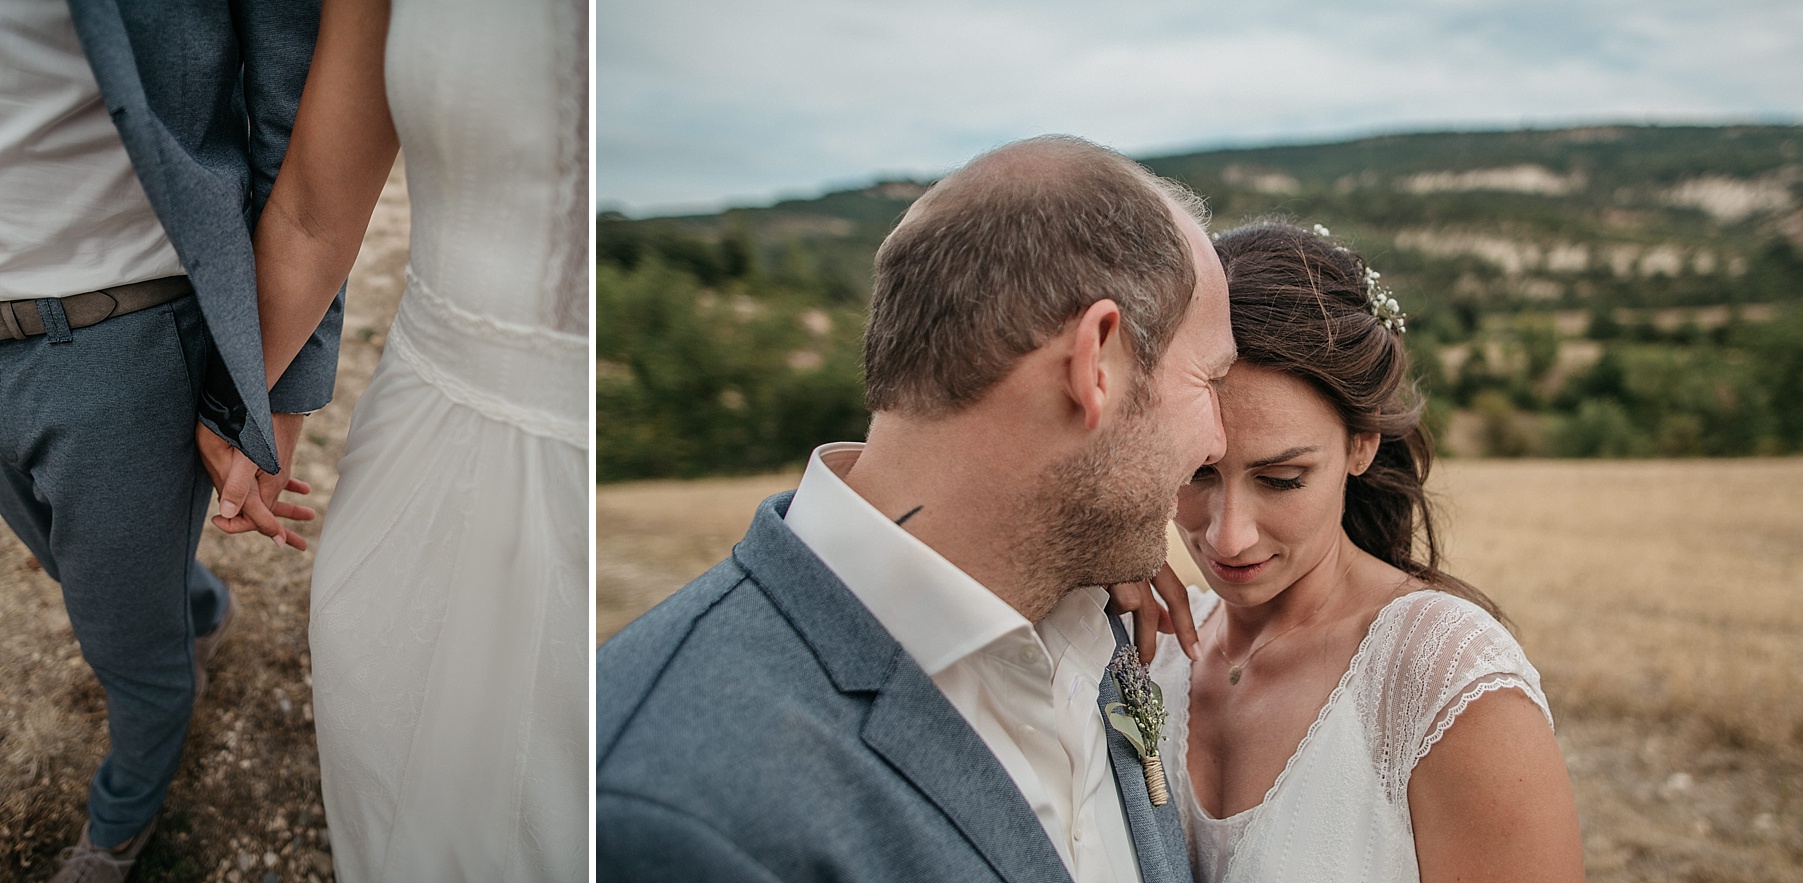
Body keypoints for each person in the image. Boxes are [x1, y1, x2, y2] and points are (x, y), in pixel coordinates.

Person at [597, 135, 1238, 882]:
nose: (1217, 439)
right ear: (1096, 362)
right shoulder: (667, 809)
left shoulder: (1096, 615)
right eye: (1210, 379)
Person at [191, 0, 590, 877]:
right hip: (422, 438)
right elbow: (309, 215)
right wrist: (246, 410)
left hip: (571, 479)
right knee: (384, 745)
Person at [1139, 221, 1584, 882]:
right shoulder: (1151, 651)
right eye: (1196, 470)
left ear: (1361, 443)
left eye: (1283, 479)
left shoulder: (1448, 685)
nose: (1227, 536)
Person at [1, 3, 330, 879]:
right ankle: (199, 608)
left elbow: (303, 128)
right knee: (79, 566)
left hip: (119, 325)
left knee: (124, 646)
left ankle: (118, 824)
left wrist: (277, 391)